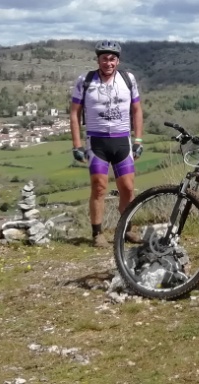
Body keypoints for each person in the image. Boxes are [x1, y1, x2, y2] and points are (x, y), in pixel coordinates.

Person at [69, 40, 144, 248]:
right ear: (98, 60)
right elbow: (74, 113)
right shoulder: (85, 80)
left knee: (128, 189)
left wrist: (138, 139)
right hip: (97, 141)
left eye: (112, 59)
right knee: (99, 188)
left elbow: (136, 110)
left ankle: (126, 230)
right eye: (104, 58)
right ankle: (97, 233)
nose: (108, 63)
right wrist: (77, 145)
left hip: (122, 140)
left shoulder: (128, 79)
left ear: (117, 61)